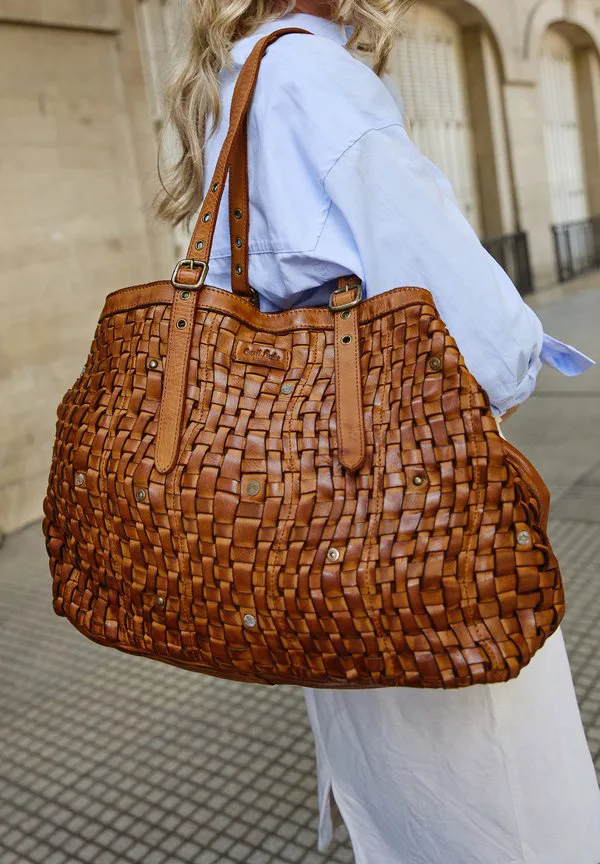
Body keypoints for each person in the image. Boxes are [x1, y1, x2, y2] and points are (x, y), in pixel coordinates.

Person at [156, 2, 600, 862]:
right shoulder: (314, 74)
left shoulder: (233, 75)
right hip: (409, 508)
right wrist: (512, 369)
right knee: (507, 801)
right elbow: (472, 326)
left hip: (306, 520)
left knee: (395, 796)